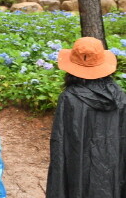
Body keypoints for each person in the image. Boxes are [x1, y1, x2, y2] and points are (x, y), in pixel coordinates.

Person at [46, 36, 126, 198]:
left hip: (78, 171)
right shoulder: (120, 97)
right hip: (112, 170)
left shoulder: (69, 98)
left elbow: (60, 143)